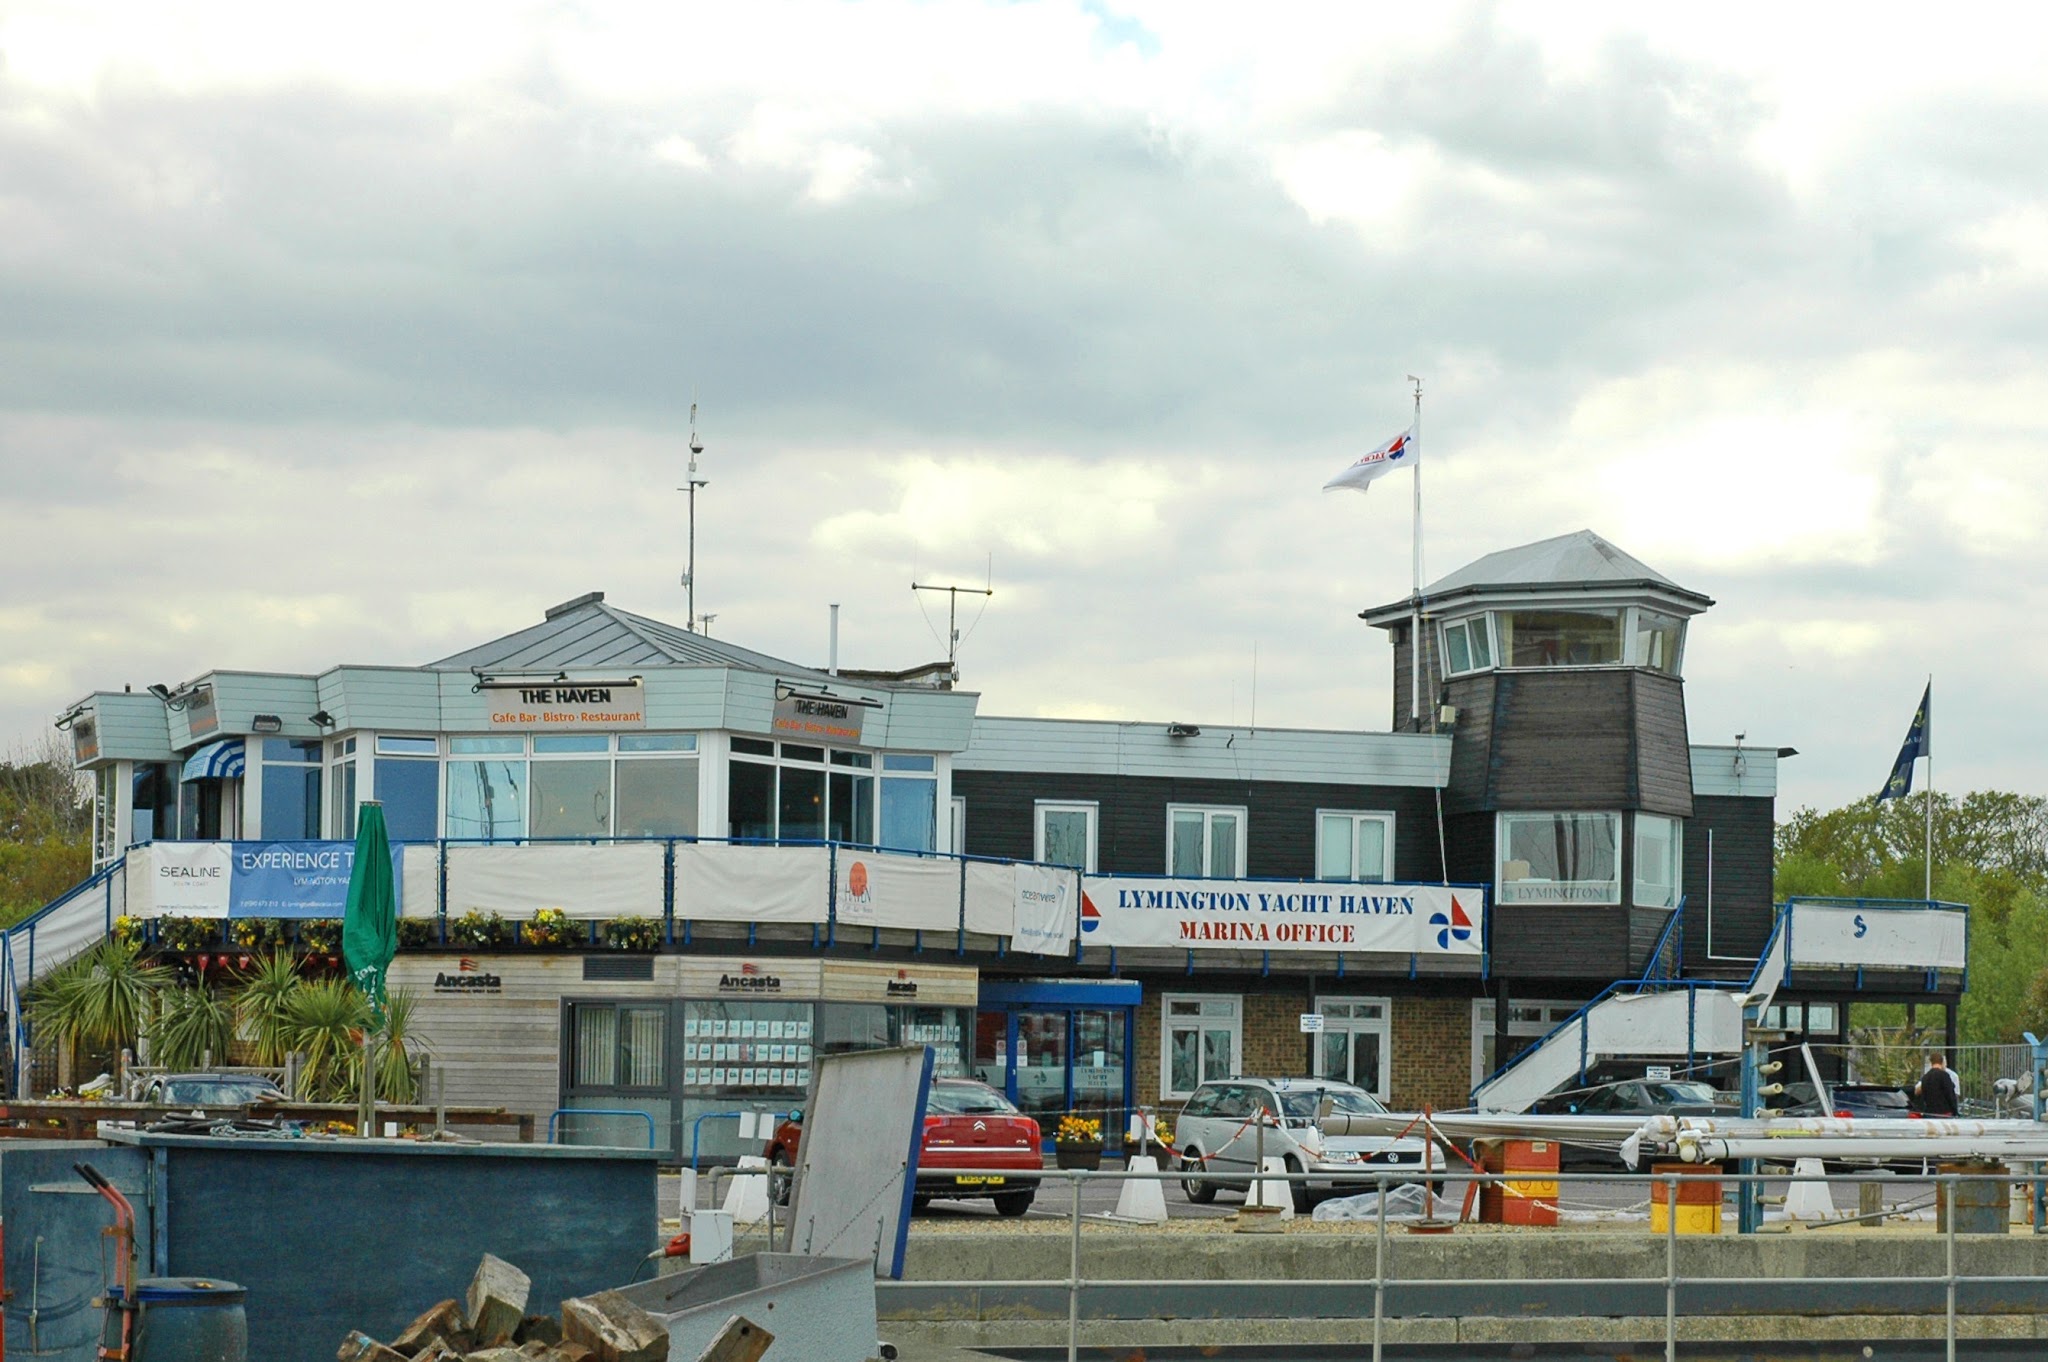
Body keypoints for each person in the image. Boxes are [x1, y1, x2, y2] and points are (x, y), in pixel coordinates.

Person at [1914, 1052, 1960, 1117]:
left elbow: (1922, 1096)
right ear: (1942, 1062)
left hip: (1930, 1113)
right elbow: (1950, 1095)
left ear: (1931, 1062)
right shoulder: (1944, 1076)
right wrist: (1955, 1111)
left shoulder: (1925, 1077)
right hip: (1944, 1113)